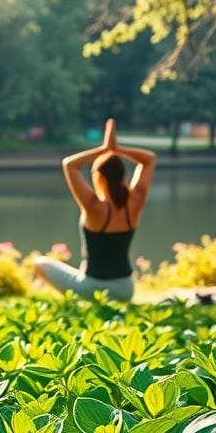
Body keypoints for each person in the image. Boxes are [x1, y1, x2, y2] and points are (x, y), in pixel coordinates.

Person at [33, 119, 155, 301]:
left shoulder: (93, 206)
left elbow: (69, 164)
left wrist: (104, 149)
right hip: (126, 289)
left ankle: (60, 301)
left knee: (39, 263)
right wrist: (117, 149)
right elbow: (149, 160)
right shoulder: (135, 202)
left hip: (93, 289)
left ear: (99, 178)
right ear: (122, 175)